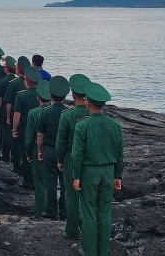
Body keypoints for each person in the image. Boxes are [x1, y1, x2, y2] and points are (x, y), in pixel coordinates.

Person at [72, 82, 124, 256]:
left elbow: (77, 154)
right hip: (108, 172)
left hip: (88, 172)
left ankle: (89, 251)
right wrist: (118, 175)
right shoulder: (116, 126)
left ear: (88, 104)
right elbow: (119, 153)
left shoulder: (82, 125)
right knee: (105, 212)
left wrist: (76, 176)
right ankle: (103, 251)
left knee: (87, 212)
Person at [56, 73, 91, 240]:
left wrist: (60, 159)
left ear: (73, 94)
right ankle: (88, 227)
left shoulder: (67, 115)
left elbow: (60, 141)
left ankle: (71, 229)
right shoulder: (93, 114)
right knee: (89, 196)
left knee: (72, 195)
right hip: (92, 159)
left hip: (71, 157)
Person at [36, 75, 70, 219]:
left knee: (50, 183)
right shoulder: (68, 113)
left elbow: (40, 135)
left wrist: (39, 151)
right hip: (65, 151)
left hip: (49, 150)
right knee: (65, 183)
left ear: (50, 95)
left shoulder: (44, 113)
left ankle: (50, 210)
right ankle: (64, 211)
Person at [25, 79, 52, 219]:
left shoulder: (33, 113)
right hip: (55, 150)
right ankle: (55, 210)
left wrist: (28, 152)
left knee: (39, 182)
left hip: (38, 149)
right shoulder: (62, 111)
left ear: (38, 98)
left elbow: (30, 136)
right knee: (53, 182)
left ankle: (39, 212)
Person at [12, 65, 42, 190]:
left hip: (24, 127)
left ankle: (28, 181)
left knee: (26, 154)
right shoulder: (42, 95)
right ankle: (37, 180)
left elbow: (17, 115)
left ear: (27, 82)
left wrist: (14, 129)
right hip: (40, 127)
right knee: (39, 153)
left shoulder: (21, 96)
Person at [4, 56, 31, 175]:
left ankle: (17, 167)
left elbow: (9, 103)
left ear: (18, 69)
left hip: (19, 118)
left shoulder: (13, 83)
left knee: (16, 144)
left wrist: (8, 117)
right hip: (31, 119)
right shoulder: (34, 84)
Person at [0, 56, 16, 162]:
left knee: (5, 132)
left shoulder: (2, 82)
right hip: (17, 109)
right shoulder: (18, 81)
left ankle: (5, 154)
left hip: (4, 108)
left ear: (6, 69)